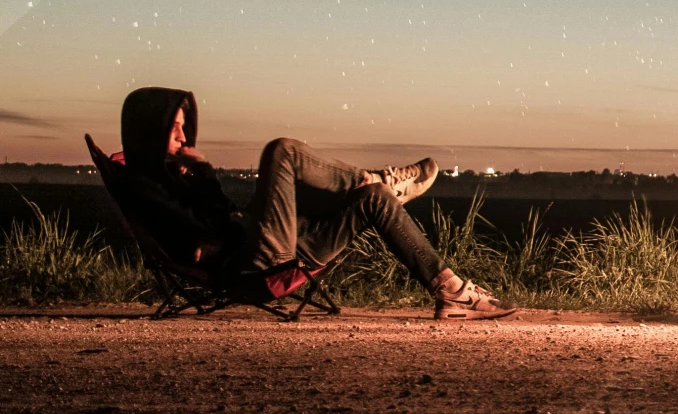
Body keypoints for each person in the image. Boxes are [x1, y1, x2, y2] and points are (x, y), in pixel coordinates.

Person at [111, 87, 514, 321]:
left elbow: (214, 216)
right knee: (282, 151)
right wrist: (207, 182)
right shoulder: (143, 185)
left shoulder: (172, 175)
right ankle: (379, 178)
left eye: (184, 125)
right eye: (174, 126)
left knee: (372, 201)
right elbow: (198, 238)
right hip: (254, 263)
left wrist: (202, 179)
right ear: (151, 129)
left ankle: (452, 291)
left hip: (276, 243)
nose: (183, 135)